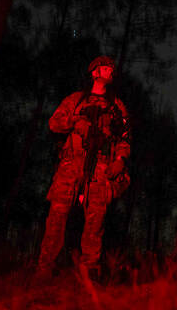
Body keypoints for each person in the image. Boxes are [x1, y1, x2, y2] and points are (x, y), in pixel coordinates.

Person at [35, 55, 131, 279]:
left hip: (101, 167)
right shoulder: (76, 100)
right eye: (105, 67)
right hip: (71, 164)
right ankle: (44, 268)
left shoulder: (116, 106)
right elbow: (54, 123)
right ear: (94, 72)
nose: (110, 71)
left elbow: (125, 138)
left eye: (111, 68)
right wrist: (76, 122)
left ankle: (90, 272)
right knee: (57, 215)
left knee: (95, 221)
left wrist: (120, 160)